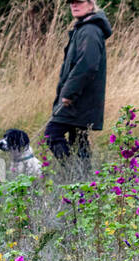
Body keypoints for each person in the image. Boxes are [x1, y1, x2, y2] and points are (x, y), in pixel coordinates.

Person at [44, 0, 112, 177]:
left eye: (79, 2)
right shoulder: (83, 28)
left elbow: (87, 65)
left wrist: (69, 93)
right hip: (82, 100)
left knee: (52, 134)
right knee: (79, 142)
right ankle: (84, 182)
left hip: (78, 100)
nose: (74, 5)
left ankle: (73, 174)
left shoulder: (89, 30)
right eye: (71, 3)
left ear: (91, 5)